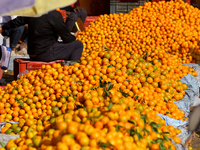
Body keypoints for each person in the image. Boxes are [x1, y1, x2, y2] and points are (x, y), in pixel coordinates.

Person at [0, 10, 83, 63]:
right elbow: (67, 38)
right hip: (46, 53)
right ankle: (72, 70)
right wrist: (73, 37)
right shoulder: (55, 15)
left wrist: (2, 28)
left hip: (32, 53)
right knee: (78, 45)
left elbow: (16, 21)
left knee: (58, 44)